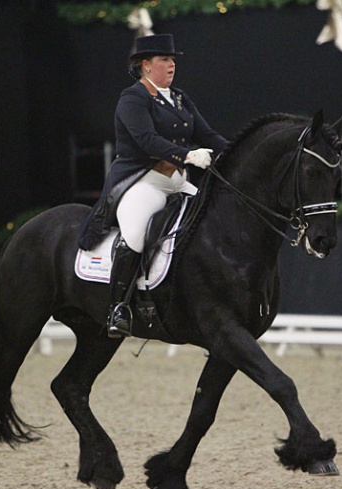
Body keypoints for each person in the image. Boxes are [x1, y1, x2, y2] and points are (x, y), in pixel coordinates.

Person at [79, 33, 229, 338]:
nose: (172, 65)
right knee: (135, 233)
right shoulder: (133, 98)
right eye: (165, 60)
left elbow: (208, 134)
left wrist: (238, 152)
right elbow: (146, 140)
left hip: (176, 182)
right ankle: (119, 307)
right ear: (146, 65)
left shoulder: (179, 98)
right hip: (142, 181)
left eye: (173, 60)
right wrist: (187, 154)